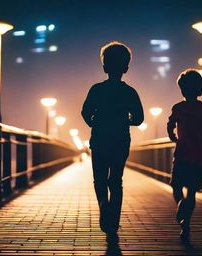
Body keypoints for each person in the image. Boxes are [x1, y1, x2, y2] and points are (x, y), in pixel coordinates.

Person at [81, 41, 144, 236]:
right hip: (120, 141)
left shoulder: (96, 89)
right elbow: (139, 118)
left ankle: (103, 206)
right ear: (126, 67)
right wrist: (127, 121)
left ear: (104, 67)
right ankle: (114, 220)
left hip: (99, 140)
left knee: (99, 179)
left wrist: (94, 123)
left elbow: (85, 112)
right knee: (116, 180)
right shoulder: (130, 92)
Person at [167, 68, 202, 241]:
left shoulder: (178, 108)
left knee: (176, 186)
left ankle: (181, 210)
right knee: (191, 192)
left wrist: (173, 137)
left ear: (181, 89)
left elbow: (170, 125)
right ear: (200, 89)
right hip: (199, 156)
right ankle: (186, 223)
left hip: (181, 155)